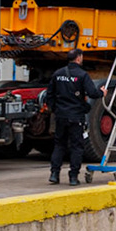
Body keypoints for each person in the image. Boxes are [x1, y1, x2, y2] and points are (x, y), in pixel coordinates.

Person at [46, 49, 100, 185]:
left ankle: (54, 174)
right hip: (76, 116)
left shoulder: (58, 74)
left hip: (61, 116)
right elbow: (92, 93)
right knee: (76, 146)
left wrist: (54, 109)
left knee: (59, 144)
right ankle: (73, 177)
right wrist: (102, 92)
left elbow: (49, 94)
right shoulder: (82, 75)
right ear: (78, 58)